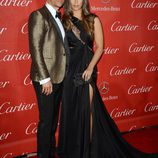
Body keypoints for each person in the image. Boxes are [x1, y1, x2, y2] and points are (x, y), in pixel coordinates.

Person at [57, 0, 158, 158]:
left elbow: (100, 47)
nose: (76, 2)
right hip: (70, 71)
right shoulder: (63, 20)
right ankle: (75, 148)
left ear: (84, 1)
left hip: (87, 68)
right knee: (73, 110)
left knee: (87, 109)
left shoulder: (93, 19)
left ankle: (88, 149)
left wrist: (90, 67)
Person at [28, 0, 69, 157]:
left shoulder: (61, 17)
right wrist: (45, 79)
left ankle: (51, 152)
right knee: (46, 121)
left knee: (52, 121)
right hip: (45, 79)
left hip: (59, 76)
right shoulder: (38, 15)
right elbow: (35, 48)